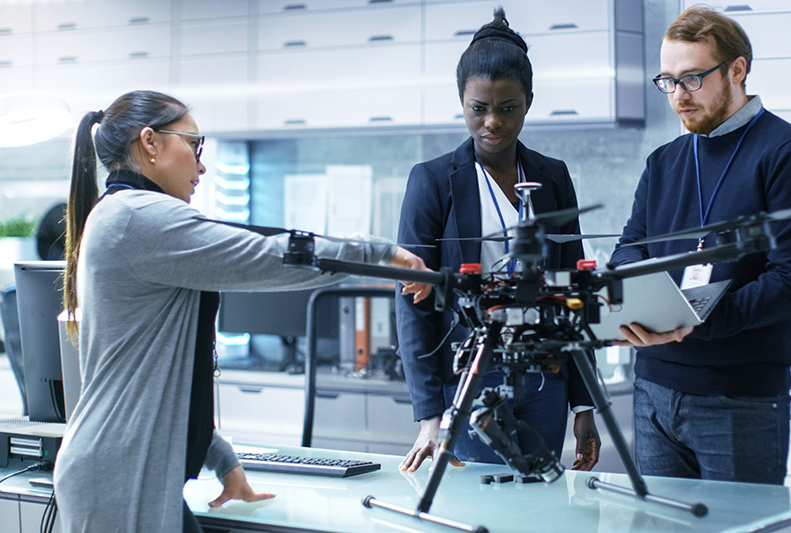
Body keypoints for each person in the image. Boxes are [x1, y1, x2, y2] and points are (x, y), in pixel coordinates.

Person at [52, 90, 432, 532]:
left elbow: (155, 380)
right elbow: (270, 255)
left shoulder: (124, 215)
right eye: (194, 145)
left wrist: (222, 460)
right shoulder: (139, 218)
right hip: (118, 475)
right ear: (150, 143)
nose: (202, 164)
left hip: (122, 465)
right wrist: (379, 254)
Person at [609, 6, 791, 485]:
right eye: (667, 81)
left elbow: (790, 282)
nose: (678, 96)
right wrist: (644, 304)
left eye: (692, 78)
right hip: (651, 390)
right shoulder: (663, 161)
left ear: (737, 69)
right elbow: (629, 249)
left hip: (739, 398)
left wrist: (691, 320)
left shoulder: (789, 156)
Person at [396, 8, 600, 473]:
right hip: (469, 381)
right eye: (478, 108)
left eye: (507, 108)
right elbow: (411, 301)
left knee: (544, 508)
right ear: (461, 101)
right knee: (481, 511)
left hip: (547, 377)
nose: (492, 122)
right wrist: (429, 413)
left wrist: (584, 405)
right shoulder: (432, 182)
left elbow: (575, 293)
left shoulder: (553, 177)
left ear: (529, 100)